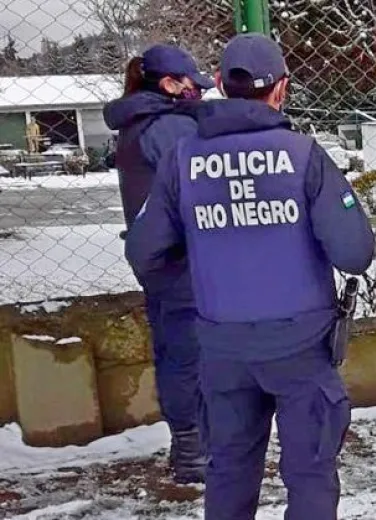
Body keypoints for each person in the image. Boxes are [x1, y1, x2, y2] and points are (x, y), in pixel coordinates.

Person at [124, 33, 375, 519]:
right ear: (282, 88)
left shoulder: (183, 159)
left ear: (219, 82)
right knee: (310, 472)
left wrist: (204, 266)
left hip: (222, 348)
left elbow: (144, 250)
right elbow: (355, 253)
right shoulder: (303, 155)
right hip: (301, 347)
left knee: (229, 469)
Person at [103, 44, 215, 484]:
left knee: (175, 349)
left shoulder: (139, 121)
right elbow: (199, 186)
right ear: (169, 84)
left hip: (158, 258)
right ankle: (194, 452)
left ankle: (189, 446)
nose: (198, 93)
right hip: (181, 257)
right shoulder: (167, 127)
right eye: (192, 86)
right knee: (189, 353)